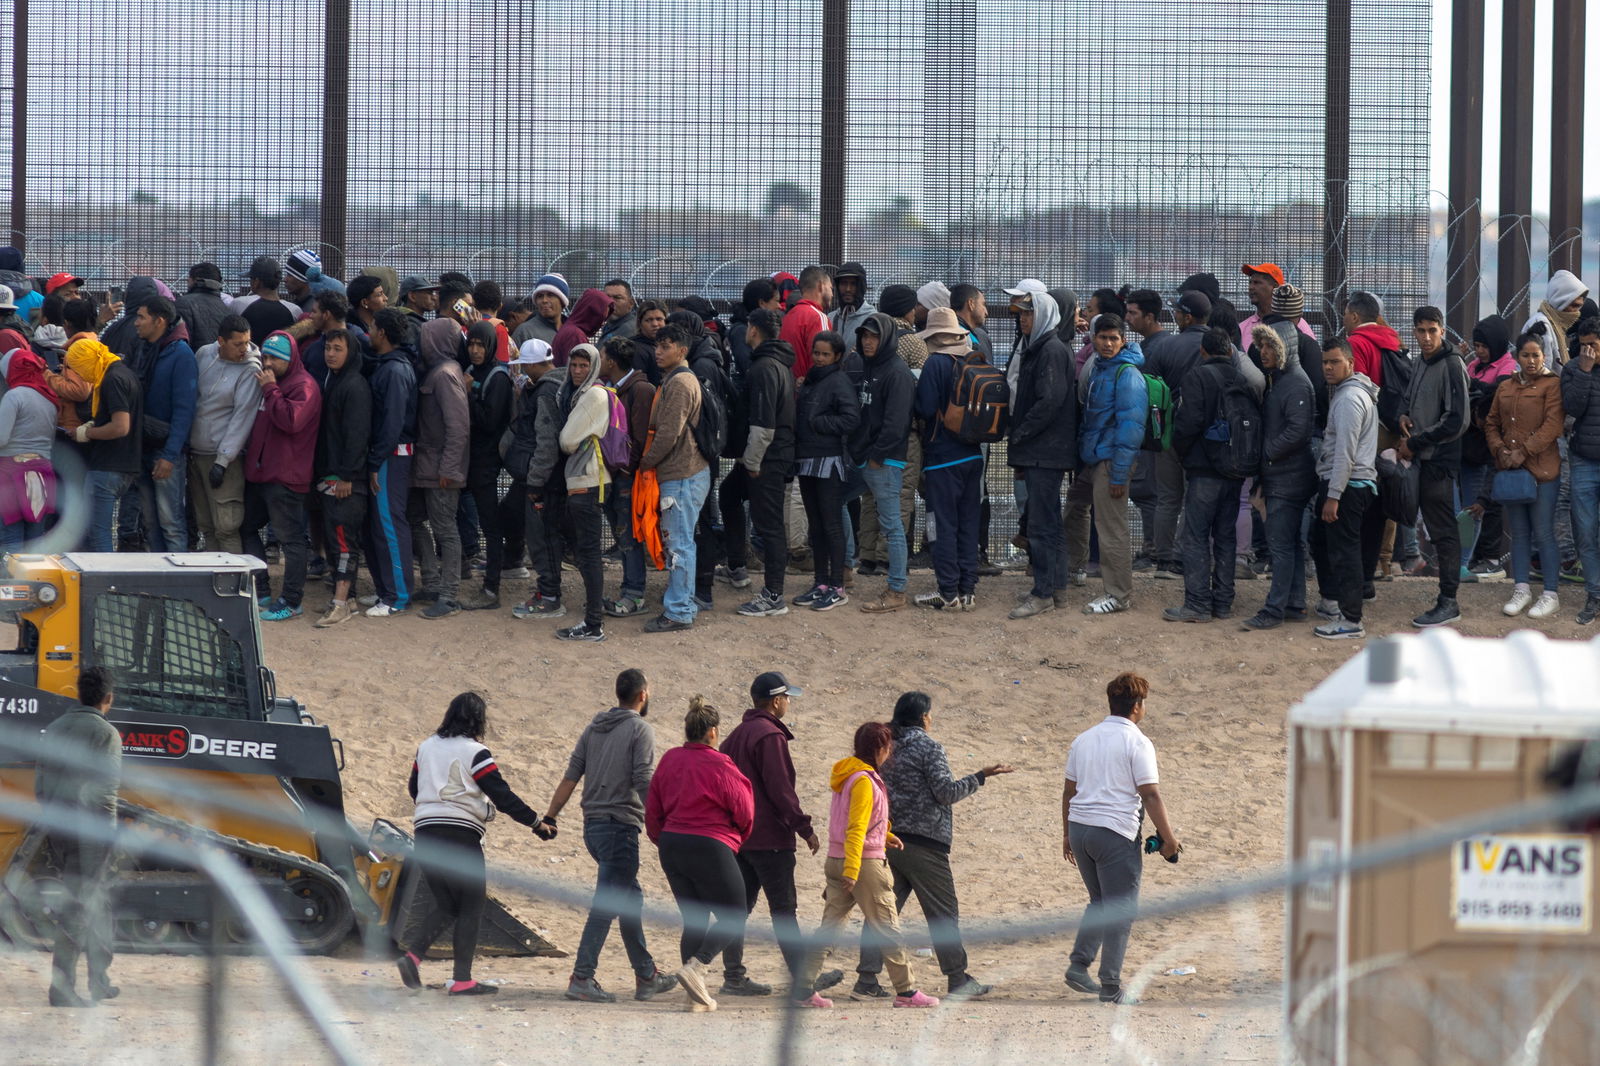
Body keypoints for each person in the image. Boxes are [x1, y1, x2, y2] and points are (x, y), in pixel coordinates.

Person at [853, 692, 1013, 1000]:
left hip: (887, 839)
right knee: (942, 913)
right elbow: (945, 792)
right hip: (926, 844)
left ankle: (866, 979)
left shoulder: (886, 746)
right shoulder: (929, 747)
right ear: (924, 717)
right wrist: (980, 776)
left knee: (883, 913)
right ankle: (957, 978)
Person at [537, 668, 678, 1004]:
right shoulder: (640, 729)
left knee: (630, 900)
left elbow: (571, 776)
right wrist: (661, 822)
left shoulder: (593, 728)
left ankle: (646, 975)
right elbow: (643, 779)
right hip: (619, 827)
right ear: (642, 695)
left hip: (593, 827)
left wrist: (551, 816)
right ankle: (582, 977)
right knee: (607, 904)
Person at [397, 693, 546, 997]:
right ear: (479, 719)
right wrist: (536, 823)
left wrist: (433, 807)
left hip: (425, 833)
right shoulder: (476, 752)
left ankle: (412, 956)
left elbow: (414, 787)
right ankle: (462, 979)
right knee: (472, 904)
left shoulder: (425, 747)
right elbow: (501, 795)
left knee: (448, 905)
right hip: (459, 836)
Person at [793, 722, 939, 1010]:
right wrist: (853, 869)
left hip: (838, 859)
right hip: (862, 864)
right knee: (887, 925)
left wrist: (886, 836)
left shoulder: (848, 775)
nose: (889, 752)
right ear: (879, 749)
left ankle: (802, 990)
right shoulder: (863, 780)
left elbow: (858, 821)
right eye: (887, 747)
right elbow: (856, 827)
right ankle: (907, 991)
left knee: (829, 929)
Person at [1062, 672, 1180, 1005]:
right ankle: (1111, 985)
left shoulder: (1084, 739)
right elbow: (1151, 795)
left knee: (1100, 903)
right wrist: (1169, 839)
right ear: (1138, 706)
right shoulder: (1137, 742)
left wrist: (1067, 834)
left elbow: (1069, 791)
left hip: (1081, 828)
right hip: (1114, 832)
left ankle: (1079, 965)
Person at [718, 672, 837, 1000]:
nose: (788, 702)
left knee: (737, 909)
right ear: (775, 701)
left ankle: (733, 975)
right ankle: (803, 979)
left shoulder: (736, 735)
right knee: (783, 910)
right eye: (786, 697)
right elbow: (780, 789)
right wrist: (804, 828)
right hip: (770, 839)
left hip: (740, 838)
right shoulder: (770, 736)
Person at [645, 696, 755, 1012]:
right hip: (710, 843)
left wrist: (662, 839)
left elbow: (653, 809)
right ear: (713, 732)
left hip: (672, 844)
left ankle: (694, 998)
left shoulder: (670, 759)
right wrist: (733, 841)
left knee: (694, 920)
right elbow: (745, 812)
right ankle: (698, 967)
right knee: (735, 915)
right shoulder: (721, 764)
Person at [36, 665, 122, 1008]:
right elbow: (106, 792)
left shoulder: (55, 728)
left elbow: (41, 786)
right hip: (91, 832)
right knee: (79, 907)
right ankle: (62, 989)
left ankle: (100, 980)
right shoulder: (106, 734)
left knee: (98, 903)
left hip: (58, 826)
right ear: (109, 698)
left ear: (79, 693)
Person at [1165, 328, 1249, 623]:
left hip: (1204, 471)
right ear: (1229, 351)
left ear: (1202, 351)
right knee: (1225, 535)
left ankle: (1198, 604)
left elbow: (1188, 423)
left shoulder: (1197, 377)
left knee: (1196, 536)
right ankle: (1223, 602)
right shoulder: (1243, 380)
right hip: (1234, 470)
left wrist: (1184, 452)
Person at [1399, 305, 1470, 629]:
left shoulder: (1452, 364)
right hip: (1419, 459)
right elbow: (1412, 400)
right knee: (1428, 524)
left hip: (1438, 461)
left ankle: (1448, 601)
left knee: (1443, 531)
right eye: (1421, 331)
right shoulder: (1420, 362)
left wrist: (1416, 442)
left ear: (1442, 330)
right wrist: (1403, 416)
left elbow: (1457, 420)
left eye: (1432, 330)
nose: (1426, 337)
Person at [1007, 290, 1076, 618]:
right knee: (1050, 523)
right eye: (1020, 313)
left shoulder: (1048, 349)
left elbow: (1049, 400)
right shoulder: (1043, 346)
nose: (1023, 318)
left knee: (1041, 525)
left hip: (1044, 452)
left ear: (1045, 315)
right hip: (1044, 451)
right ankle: (1056, 589)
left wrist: (1021, 434)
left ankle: (1043, 593)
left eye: (1029, 313)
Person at [242, 332, 321, 621]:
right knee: (247, 527)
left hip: (287, 476)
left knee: (291, 540)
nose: (268, 363)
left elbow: (291, 421)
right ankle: (262, 588)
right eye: (265, 357)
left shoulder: (303, 386)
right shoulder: (270, 383)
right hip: (262, 473)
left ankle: (291, 600)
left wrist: (272, 390)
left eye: (275, 358)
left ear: (290, 360)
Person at [1488, 329, 1565, 620]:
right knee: (1519, 533)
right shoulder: (1506, 386)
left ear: (1543, 356)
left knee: (1543, 532)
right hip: (1513, 471)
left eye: (1536, 355)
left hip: (1543, 471)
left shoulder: (1551, 385)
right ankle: (1521, 588)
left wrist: (1524, 451)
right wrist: (1500, 450)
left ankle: (1550, 593)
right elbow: (1492, 422)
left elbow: (1553, 425)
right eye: (1525, 355)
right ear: (1516, 357)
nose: (1531, 360)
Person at [1245, 325, 1317, 630]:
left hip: (1287, 478)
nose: (1263, 352)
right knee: (1290, 545)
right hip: (1286, 474)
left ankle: (1274, 610)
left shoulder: (1295, 384)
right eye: (1261, 346)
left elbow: (1297, 432)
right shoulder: (1283, 381)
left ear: (1284, 349)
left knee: (1281, 546)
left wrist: (1265, 453)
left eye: (1269, 347)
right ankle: (1294, 604)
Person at [725, 309, 796, 616]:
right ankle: (737, 565)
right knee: (728, 496)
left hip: (766, 458)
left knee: (769, 525)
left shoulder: (766, 367)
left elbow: (764, 424)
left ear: (752, 330)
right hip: (760, 456)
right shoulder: (775, 363)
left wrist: (752, 462)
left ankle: (773, 595)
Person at [638, 324, 708, 633]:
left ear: (682, 350)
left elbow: (668, 434)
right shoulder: (679, 379)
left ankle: (679, 611)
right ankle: (683, 603)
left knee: (678, 545)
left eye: (665, 346)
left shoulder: (679, 383)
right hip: (685, 472)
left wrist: (645, 462)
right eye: (657, 346)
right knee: (682, 542)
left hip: (681, 474)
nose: (658, 351)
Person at [1075, 314, 1147, 615]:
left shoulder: (1127, 375)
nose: (1107, 343)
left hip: (1110, 461)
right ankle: (1070, 570)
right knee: (1075, 511)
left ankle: (1118, 595)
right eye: (1102, 337)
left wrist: (1118, 474)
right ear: (1093, 338)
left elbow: (1131, 429)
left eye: (1113, 338)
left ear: (1123, 341)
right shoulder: (1101, 370)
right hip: (1095, 458)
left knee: (1111, 528)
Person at [912, 307, 983, 611]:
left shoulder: (935, 364)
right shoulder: (974, 360)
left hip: (941, 457)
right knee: (968, 523)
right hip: (973, 455)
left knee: (941, 525)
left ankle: (947, 591)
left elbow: (926, 409)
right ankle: (967, 590)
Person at [1311, 340, 1380, 640]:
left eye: (1335, 362)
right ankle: (1332, 603)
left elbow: (1345, 453)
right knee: (1323, 543)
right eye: (1325, 361)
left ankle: (1350, 620)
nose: (1328, 367)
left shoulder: (1350, 398)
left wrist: (1334, 496)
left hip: (1348, 486)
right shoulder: (1348, 393)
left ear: (1350, 363)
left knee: (1345, 552)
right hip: (1348, 483)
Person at [1143, 289, 1214, 577]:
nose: (1174, 316)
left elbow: (1147, 387)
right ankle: (1187, 557)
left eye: (1177, 312)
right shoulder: (1221, 345)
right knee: (1196, 497)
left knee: (1168, 498)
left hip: (1168, 432)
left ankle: (1164, 560)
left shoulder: (1166, 347)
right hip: (1204, 435)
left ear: (1187, 317)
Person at [790, 331, 861, 611]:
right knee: (816, 525)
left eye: (825, 354)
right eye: (816, 353)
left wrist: (818, 423)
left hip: (828, 461)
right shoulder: (811, 379)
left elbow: (851, 418)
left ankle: (837, 586)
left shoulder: (838, 381)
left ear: (837, 356)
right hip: (807, 458)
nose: (819, 358)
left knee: (831, 525)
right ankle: (820, 583)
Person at [65, 303, 143, 553]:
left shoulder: (112, 379)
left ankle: (103, 586)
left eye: (80, 368)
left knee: (98, 534)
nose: (82, 375)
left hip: (108, 467)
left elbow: (120, 426)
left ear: (88, 361)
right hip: (124, 465)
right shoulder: (123, 372)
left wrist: (87, 432)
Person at [852, 312, 917, 613]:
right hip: (866, 458)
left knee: (891, 526)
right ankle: (842, 571)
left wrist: (877, 457)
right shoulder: (871, 368)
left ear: (887, 338)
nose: (867, 341)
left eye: (873, 336)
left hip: (885, 461)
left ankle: (896, 590)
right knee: (835, 499)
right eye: (864, 335)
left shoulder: (897, 372)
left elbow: (896, 423)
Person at [308, 328, 370, 627]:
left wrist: (347, 476)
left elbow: (356, 435)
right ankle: (350, 598)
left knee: (344, 543)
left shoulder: (354, 386)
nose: (330, 354)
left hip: (347, 482)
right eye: (328, 348)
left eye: (337, 349)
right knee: (335, 542)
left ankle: (340, 603)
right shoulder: (336, 381)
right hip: (332, 478)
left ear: (351, 353)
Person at [409, 320, 471, 620]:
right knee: (416, 521)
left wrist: (449, 468)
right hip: (427, 466)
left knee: (446, 530)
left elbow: (458, 427)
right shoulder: (439, 371)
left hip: (441, 471)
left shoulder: (445, 375)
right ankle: (432, 584)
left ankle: (448, 595)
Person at [506, 338, 570, 620]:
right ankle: (549, 592)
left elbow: (545, 443)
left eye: (524, 366)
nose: (522, 371)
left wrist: (535, 482)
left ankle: (550, 597)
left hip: (544, 481)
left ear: (533, 364)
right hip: (558, 477)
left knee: (542, 538)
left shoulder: (545, 392)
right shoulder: (561, 383)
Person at [362, 309, 420, 617]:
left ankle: (397, 597)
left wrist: (374, 461)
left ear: (382, 332)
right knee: (381, 528)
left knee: (389, 526)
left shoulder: (395, 371)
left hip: (390, 457)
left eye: (372, 327)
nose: (368, 331)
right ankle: (388, 589)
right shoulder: (390, 366)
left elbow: (392, 423)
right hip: (387, 456)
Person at [187, 315, 261, 554]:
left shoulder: (250, 370)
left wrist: (223, 460)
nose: (244, 349)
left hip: (222, 458)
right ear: (221, 341)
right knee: (206, 525)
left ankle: (233, 585)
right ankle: (213, 582)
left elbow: (243, 418)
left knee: (226, 526)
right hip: (196, 453)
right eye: (238, 344)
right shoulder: (204, 354)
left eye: (247, 343)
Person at [553, 344, 611, 642]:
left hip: (588, 480)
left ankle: (594, 624)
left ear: (595, 367)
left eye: (583, 366)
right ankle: (593, 619)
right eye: (573, 365)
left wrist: (571, 436)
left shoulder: (593, 395)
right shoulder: (578, 394)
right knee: (587, 553)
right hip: (583, 480)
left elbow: (566, 440)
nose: (577, 371)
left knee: (589, 554)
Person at [130, 295, 196, 552]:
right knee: (150, 522)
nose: (136, 323)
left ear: (159, 321)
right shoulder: (144, 349)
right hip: (143, 447)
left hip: (165, 453)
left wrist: (169, 455)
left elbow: (185, 410)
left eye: (141, 317)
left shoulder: (181, 355)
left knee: (170, 522)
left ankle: (178, 585)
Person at [458, 320, 512, 611]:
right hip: (467, 458)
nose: (475, 350)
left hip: (486, 460)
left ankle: (491, 589)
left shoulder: (497, 377)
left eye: (481, 345)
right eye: (471, 344)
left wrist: (468, 394)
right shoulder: (470, 371)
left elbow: (491, 422)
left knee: (490, 525)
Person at [598, 338, 654, 617]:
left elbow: (640, 439)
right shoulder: (616, 389)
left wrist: (625, 471)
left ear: (612, 362)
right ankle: (629, 590)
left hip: (626, 478)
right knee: (623, 536)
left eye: (601, 355)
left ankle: (635, 594)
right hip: (615, 475)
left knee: (629, 536)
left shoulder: (640, 390)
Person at [1463, 314, 1515, 575]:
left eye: (1484, 346)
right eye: (1477, 346)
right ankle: (1476, 556)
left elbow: (1495, 395)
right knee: (1474, 504)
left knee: (1491, 501)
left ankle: (1492, 558)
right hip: (1472, 445)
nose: (1480, 351)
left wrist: (1474, 390)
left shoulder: (1508, 367)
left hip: (1494, 444)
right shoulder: (1474, 365)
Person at [0, 346, 59, 550]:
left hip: (10, 473)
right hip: (43, 472)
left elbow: (1, 438)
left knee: (10, 537)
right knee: (36, 539)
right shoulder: (49, 397)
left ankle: (12, 581)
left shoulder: (14, 396)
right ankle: (35, 580)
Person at [1563, 318, 1600, 625]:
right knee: (1585, 532)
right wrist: (1586, 373)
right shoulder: (1574, 368)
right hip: (1584, 461)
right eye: (1584, 344)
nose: (1588, 350)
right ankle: (1595, 593)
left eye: (1595, 345)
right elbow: (1573, 408)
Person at [1521, 269, 1590, 370]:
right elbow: (1543, 369)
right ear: (1561, 301)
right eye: (1574, 305)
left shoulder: (1556, 325)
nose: (1576, 312)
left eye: (1579, 307)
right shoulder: (1542, 325)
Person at [1237, 263, 1317, 345]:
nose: (1250, 287)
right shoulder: (1242, 329)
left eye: (1257, 283)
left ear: (1275, 287)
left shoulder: (1299, 326)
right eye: (1250, 282)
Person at [778, 265, 832, 379]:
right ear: (821, 286)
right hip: (812, 393)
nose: (832, 294)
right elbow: (823, 366)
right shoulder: (817, 317)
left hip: (790, 391)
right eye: (831, 288)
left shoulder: (788, 317)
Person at [236, 256, 299, 345]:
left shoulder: (240, 304)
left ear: (256, 282)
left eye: (251, 279)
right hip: (281, 358)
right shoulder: (294, 310)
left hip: (249, 358)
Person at [174, 262, 233, 351]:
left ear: (196, 280)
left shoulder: (183, 303)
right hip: (219, 362)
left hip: (193, 361)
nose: (187, 282)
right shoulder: (225, 306)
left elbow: (179, 342)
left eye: (189, 278)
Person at [553, 288, 614, 368]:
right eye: (600, 319)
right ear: (591, 313)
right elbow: (581, 374)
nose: (602, 324)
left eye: (605, 320)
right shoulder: (575, 335)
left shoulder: (570, 329)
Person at [513, 273, 570, 347]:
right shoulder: (525, 332)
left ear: (562, 301)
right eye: (540, 296)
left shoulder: (573, 332)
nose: (544, 300)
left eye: (550, 295)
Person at [830, 263, 872, 352]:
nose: (848, 289)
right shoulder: (830, 318)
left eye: (853, 284)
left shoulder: (872, 319)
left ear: (862, 286)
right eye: (843, 283)